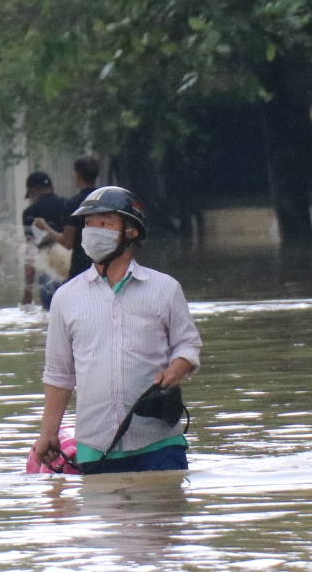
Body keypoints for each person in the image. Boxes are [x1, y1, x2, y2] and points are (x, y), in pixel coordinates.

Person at [32, 186, 200, 475]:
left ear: (131, 231)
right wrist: (48, 433)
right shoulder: (66, 297)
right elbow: (59, 373)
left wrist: (176, 369)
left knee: (166, 518)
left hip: (159, 444)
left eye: (104, 223)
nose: (93, 231)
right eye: (88, 224)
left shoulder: (165, 289)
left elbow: (187, 344)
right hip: (95, 446)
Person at [33, 155, 103, 282]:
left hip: (82, 265)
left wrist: (45, 227)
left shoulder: (74, 204)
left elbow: (67, 243)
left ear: (77, 176)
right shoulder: (105, 200)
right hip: (106, 265)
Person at [20, 171, 77, 308]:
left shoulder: (30, 213)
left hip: (50, 274)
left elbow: (30, 253)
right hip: (76, 272)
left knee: (52, 320)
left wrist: (28, 291)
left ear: (33, 191)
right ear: (53, 187)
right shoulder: (68, 205)